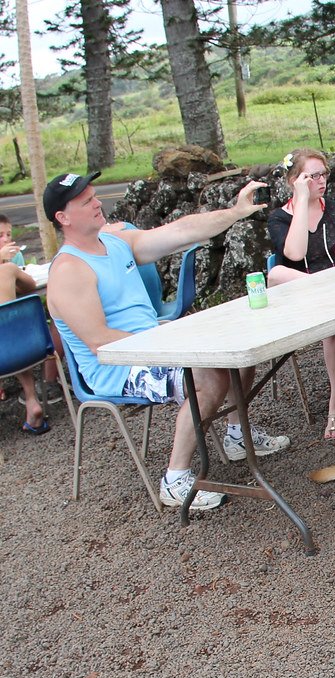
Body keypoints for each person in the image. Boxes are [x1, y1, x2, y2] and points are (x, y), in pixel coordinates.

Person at [45, 172, 290, 511]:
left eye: (94, 195)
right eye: (86, 201)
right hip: (117, 365)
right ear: (63, 217)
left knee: (237, 349)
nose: (98, 202)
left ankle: (236, 435)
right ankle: (175, 480)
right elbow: (99, 341)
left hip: (155, 343)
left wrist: (234, 212)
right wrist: (172, 343)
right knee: (207, 376)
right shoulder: (69, 271)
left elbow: (179, 232)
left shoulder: (116, 242)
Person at [266, 148, 335, 440]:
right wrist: (301, 201)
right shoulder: (278, 218)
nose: (320, 181)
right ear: (294, 181)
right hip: (301, 296)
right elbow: (294, 254)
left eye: (323, 174)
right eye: (311, 176)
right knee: (275, 274)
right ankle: (334, 299)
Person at [0, 261, 50, 433]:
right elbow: (30, 286)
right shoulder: (7, 270)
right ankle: (32, 400)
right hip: (26, 351)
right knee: (9, 336)